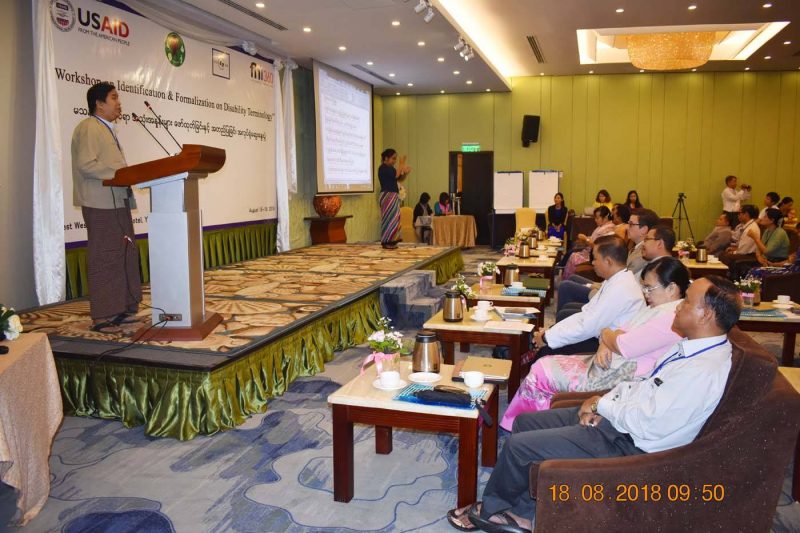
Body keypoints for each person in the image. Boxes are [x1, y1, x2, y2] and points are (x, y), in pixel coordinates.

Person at [446, 276, 741, 533]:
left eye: (686, 302)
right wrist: (603, 402)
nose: (677, 307)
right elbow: (643, 385)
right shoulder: (689, 348)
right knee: (525, 423)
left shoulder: (702, 371)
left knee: (519, 447)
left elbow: (650, 423)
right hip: (620, 421)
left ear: (706, 315)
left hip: (630, 444)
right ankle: (522, 511)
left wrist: (602, 408)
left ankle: (492, 511)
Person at [502, 257, 689, 431]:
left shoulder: (669, 318)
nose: (645, 293)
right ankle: (528, 423)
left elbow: (623, 343)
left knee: (542, 369)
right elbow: (619, 331)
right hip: (610, 363)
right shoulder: (657, 308)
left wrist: (607, 336)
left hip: (620, 374)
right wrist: (607, 340)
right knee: (545, 362)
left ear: (671, 288)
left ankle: (518, 425)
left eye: (649, 288)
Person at [72, 82, 141, 334]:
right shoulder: (89, 127)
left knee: (122, 254)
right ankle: (102, 316)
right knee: (105, 257)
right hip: (100, 204)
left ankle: (121, 309)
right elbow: (86, 164)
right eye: (113, 98)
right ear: (99, 103)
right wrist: (121, 173)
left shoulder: (107, 129)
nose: (118, 103)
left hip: (117, 202)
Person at [534, 235, 646, 356]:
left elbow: (588, 327)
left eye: (595, 259)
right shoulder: (617, 279)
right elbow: (586, 314)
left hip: (609, 348)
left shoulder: (621, 288)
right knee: (551, 335)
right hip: (599, 335)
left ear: (608, 261)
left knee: (546, 349)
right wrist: (550, 332)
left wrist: (547, 338)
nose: (592, 263)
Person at [556, 208, 659, 314]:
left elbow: (620, 280)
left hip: (613, 295)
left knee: (565, 286)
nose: (627, 227)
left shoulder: (643, 254)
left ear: (643, 229)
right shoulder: (636, 248)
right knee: (572, 279)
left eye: (631, 224)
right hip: (609, 286)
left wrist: (594, 286)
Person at [562, 206, 615, 279]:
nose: (595, 220)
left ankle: (568, 279)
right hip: (590, 253)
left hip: (595, 257)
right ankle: (567, 277)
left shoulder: (608, 229)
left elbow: (598, 246)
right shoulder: (602, 227)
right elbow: (594, 239)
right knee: (573, 249)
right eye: (595, 218)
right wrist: (585, 239)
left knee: (573, 256)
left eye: (597, 218)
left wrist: (586, 239)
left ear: (605, 218)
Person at [378, 148, 411, 249]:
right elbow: (396, 174)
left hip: (393, 195)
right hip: (387, 195)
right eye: (393, 158)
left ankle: (392, 240)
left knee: (395, 218)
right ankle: (386, 241)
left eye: (395, 159)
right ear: (386, 158)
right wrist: (401, 163)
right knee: (389, 219)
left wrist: (405, 173)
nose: (395, 161)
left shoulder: (391, 168)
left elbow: (399, 178)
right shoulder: (383, 168)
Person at [721, 204, 760, 271]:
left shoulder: (751, 229)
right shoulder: (747, 225)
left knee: (724, 256)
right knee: (723, 253)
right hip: (745, 252)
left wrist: (734, 252)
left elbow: (743, 250)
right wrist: (734, 249)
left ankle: (725, 275)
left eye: (739, 213)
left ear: (746, 214)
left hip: (748, 255)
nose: (738, 216)